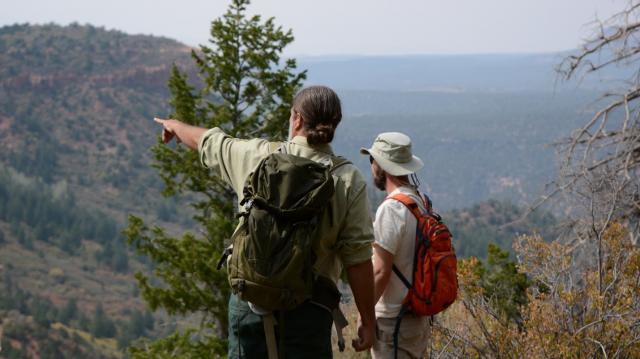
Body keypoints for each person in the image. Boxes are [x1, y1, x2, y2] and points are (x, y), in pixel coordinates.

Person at [154, 86, 376, 358]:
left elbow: (210, 142)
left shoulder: (258, 157)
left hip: (250, 306)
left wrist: (175, 126)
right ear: (334, 124)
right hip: (309, 311)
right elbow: (358, 259)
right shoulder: (348, 180)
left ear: (296, 119)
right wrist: (367, 319)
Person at [360, 132, 432, 359]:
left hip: (393, 322)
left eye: (372, 160)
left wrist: (365, 317)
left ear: (382, 165)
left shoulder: (392, 209)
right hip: (417, 318)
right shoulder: (420, 202)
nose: (371, 166)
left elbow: (381, 271)